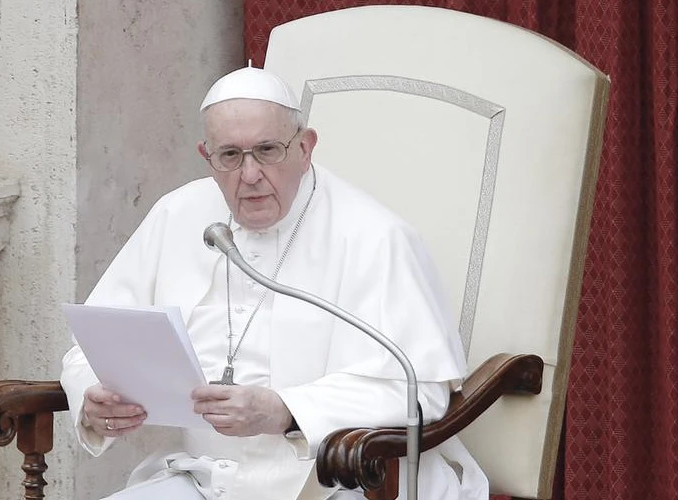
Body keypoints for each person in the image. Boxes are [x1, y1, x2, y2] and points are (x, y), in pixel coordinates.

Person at [60, 66, 488, 500]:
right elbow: (91, 343)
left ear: (305, 147)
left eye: (267, 150)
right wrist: (94, 398)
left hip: (344, 481)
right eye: (229, 155)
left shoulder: (376, 236)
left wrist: (287, 410)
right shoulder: (177, 214)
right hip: (209, 479)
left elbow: (422, 392)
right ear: (207, 156)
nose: (249, 175)